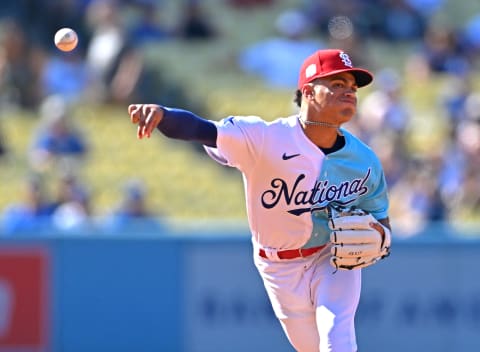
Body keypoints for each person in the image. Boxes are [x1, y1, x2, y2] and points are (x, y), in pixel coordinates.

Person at [127, 49, 392, 352]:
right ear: (307, 92)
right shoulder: (264, 138)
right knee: (311, 348)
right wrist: (163, 114)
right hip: (278, 265)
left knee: (337, 340)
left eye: (353, 87)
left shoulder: (364, 160)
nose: (349, 92)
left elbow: (380, 217)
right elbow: (201, 129)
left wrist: (382, 238)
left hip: (331, 257)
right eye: (337, 85)